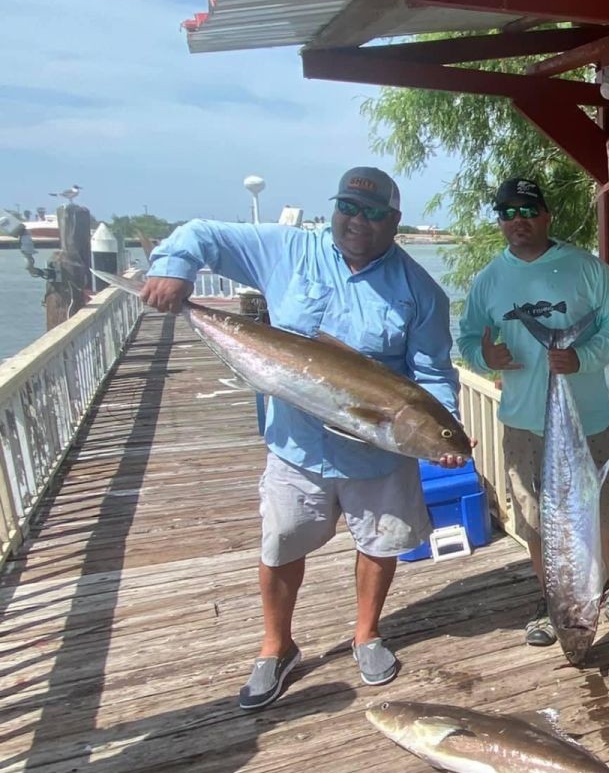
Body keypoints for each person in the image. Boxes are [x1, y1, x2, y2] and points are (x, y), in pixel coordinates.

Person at [143, 167, 468, 710]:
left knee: (380, 543)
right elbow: (201, 233)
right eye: (347, 207)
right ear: (334, 207)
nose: (356, 221)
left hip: (379, 450)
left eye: (372, 213)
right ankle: (277, 646)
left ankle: (367, 633)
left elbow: (432, 371)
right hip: (296, 446)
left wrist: (444, 427)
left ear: (394, 220)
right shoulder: (288, 250)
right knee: (281, 544)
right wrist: (175, 269)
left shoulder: (421, 291)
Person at [457, 177, 609, 648]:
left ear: (546, 215)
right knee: (534, 520)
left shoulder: (585, 267)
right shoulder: (488, 280)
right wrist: (487, 358)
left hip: (589, 418)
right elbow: (466, 338)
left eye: (526, 211)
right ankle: (556, 600)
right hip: (524, 423)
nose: (516, 221)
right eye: (506, 213)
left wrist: (582, 357)